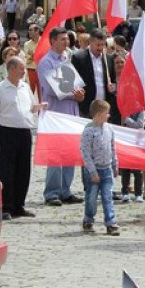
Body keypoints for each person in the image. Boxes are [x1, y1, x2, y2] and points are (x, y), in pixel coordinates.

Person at [0, 56, 43, 221]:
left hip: (24, 132)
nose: (24, 71)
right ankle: (6, 206)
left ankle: (19, 205)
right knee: (6, 171)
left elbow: (31, 108)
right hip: (6, 132)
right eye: (21, 68)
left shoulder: (25, 87)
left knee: (23, 170)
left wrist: (40, 108)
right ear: (11, 69)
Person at [38, 27, 85, 206]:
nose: (66, 42)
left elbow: (75, 85)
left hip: (70, 113)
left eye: (67, 39)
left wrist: (80, 94)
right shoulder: (46, 62)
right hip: (55, 114)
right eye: (62, 39)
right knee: (55, 155)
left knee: (69, 153)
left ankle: (65, 190)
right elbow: (51, 88)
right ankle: (51, 192)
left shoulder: (67, 59)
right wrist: (74, 94)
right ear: (53, 41)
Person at [80, 99, 120, 235]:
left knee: (107, 196)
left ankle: (111, 223)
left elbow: (113, 147)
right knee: (91, 197)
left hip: (107, 168)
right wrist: (92, 171)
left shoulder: (109, 129)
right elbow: (86, 153)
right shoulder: (89, 131)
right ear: (98, 114)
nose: (108, 115)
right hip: (94, 170)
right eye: (106, 113)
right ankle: (88, 219)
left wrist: (115, 164)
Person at [71, 28, 118, 121]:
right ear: (90, 42)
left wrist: (113, 86)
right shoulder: (79, 58)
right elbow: (73, 82)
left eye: (102, 44)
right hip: (86, 107)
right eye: (97, 45)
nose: (100, 48)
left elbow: (113, 80)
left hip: (104, 108)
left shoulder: (109, 59)